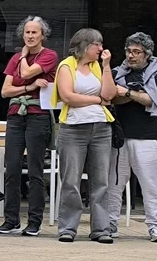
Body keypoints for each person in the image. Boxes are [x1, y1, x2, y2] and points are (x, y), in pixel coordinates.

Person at [50, 28, 117, 243]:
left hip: (101, 128)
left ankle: (101, 229)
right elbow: (68, 97)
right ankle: (68, 228)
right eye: (97, 44)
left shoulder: (98, 66)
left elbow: (109, 95)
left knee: (101, 180)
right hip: (73, 128)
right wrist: (97, 100)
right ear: (85, 45)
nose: (101, 48)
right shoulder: (66, 66)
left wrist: (107, 67)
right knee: (71, 179)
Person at [0, 17, 58, 237]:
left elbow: (26, 73)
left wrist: (23, 58)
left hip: (38, 116)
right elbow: (5, 91)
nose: (30, 36)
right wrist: (29, 88)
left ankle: (34, 221)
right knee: (11, 169)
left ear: (43, 35)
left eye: (34, 32)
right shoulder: (15, 58)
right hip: (15, 116)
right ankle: (11, 220)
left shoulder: (49, 55)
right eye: (27, 32)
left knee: (35, 171)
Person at [105, 32, 157, 242]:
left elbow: (155, 99)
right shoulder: (117, 72)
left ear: (147, 54)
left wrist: (128, 93)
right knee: (114, 183)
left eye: (136, 52)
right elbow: (111, 97)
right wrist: (136, 95)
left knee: (151, 184)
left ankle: (155, 226)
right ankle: (110, 224)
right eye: (128, 51)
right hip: (120, 135)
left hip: (147, 136)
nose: (130, 56)